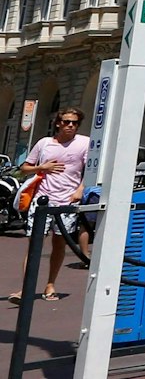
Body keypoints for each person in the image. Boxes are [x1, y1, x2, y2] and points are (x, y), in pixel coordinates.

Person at [8, 108, 93, 302]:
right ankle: (25, 288)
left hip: (67, 200)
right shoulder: (44, 144)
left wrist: (80, 190)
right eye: (66, 121)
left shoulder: (84, 143)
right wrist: (41, 167)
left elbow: (91, 169)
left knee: (59, 243)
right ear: (58, 123)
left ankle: (50, 284)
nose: (70, 125)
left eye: (74, 122)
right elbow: (23, 170)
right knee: (34, 245)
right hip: (42, 200)